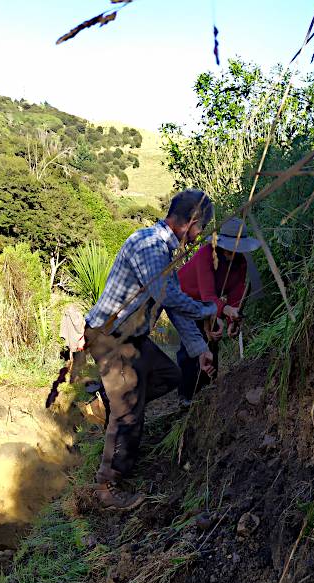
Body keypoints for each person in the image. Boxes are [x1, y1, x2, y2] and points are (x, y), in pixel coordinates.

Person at [84, 189, 218, 509]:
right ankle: (108, 485)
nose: (200, 238)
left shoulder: (168, 252)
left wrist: (200, 349)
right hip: (109, 336)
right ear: (191, 223)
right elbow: (169, 297)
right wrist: (208, 310)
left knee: (168, 375)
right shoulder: (150, 246)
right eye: (201, 229)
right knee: (129, 410)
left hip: (134, 339)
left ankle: (107, 402)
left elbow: (172, 308)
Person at [176, 216, 261, 405]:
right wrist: (226, 310)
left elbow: (236, 294)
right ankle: (186, 397)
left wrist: (232, 321)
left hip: (208, 301)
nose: (234, 252)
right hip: (184, 298)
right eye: (231, 248)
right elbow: (207, 296)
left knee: (213, 340)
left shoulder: (241, 263)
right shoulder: (206, 255)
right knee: (194, 343)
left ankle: (207, 392)